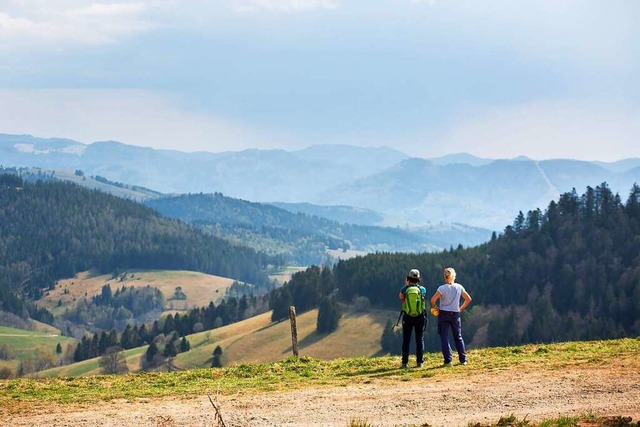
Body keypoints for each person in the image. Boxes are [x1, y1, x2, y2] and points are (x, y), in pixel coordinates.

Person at [430, 267, 472, 366]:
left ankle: (448, 361)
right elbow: (468, 299)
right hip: (455, 314)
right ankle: (463, 360)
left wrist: (435, 308)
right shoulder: (459, 287)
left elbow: (432, 300)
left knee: (444, 338)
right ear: (454, 276)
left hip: (444, 314)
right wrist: (461, 309)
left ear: (445, 277)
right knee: (458, 337)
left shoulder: (442, 288)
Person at [398, 269, 427, 368]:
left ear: (408, 278)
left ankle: (404, 363)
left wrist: (406, 285)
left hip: (407, 316)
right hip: (420, 317)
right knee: (419, 339)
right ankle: (420, 362)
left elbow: (401, 299)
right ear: (418, 278)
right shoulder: (422, 289)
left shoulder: (404, 289)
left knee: (406, 340)